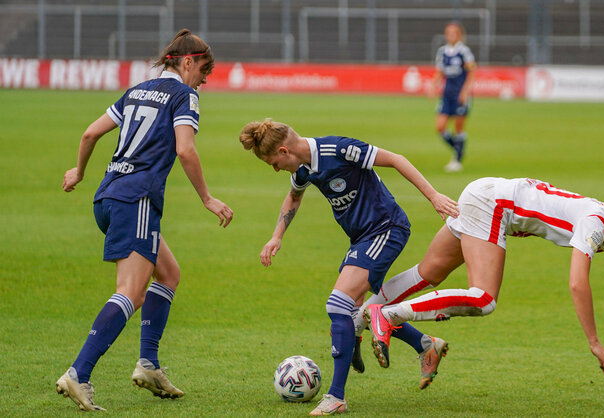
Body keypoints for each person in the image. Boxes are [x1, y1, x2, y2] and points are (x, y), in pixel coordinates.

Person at [362, 177, 604, 379]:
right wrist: (595, 342)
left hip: (488, 195)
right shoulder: (596, 224)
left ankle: (358, 316)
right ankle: (388, 316)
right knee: (484, 298)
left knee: (430, 273)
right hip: (494, 206)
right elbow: (577, 283)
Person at [57, 29, 234, 411]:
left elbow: (90, 133)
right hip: (136, 200)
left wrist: (79, 172)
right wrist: (207, 197)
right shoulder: (185, 95)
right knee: (131, 292)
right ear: (187, 62)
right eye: (205, 69)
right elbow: (185, 149)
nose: (206, 78)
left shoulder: (137, 90)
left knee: (168, 274)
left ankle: (149, 365)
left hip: (107, 196)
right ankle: (78, 373)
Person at [239, 119, 458, 415]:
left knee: (337, 305)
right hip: (361, 239)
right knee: (355, 313)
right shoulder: (303, 168)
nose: (276, 169)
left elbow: (395, 159)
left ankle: (337, 396)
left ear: (283, 150)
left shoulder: (339, 149)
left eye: (273, 163)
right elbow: (294, 196)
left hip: (386, 228)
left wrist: (433, 196)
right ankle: (424, 344)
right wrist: (277, 236)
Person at [432, 21, 476, 172]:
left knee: (458, 128)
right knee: (440, 127)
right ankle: (458, 149)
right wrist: (433, 85)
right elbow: (440, 72)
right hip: (447, 94)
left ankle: (457, 159)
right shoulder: (442, 52)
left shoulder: (464, 51)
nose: (451, 35)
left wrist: (465, 91)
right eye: (448, 32)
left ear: (459, 35)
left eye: (454, 32)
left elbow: (471, 72)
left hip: (460, 95)